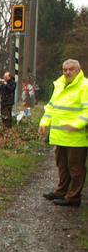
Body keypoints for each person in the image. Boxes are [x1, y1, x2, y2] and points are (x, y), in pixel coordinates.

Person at [39, 59, 88, 207]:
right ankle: (61, 192)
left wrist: (76, 125)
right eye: (64, 70)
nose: (67, 72)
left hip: (76, 137)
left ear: (78, 70)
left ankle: (73, 197)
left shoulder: (84, 86)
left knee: (76, 168)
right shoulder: (59, 85)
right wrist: (44, 123)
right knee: (62, 166)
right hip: (60, 136)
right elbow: (51, 107)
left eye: (71, 69)